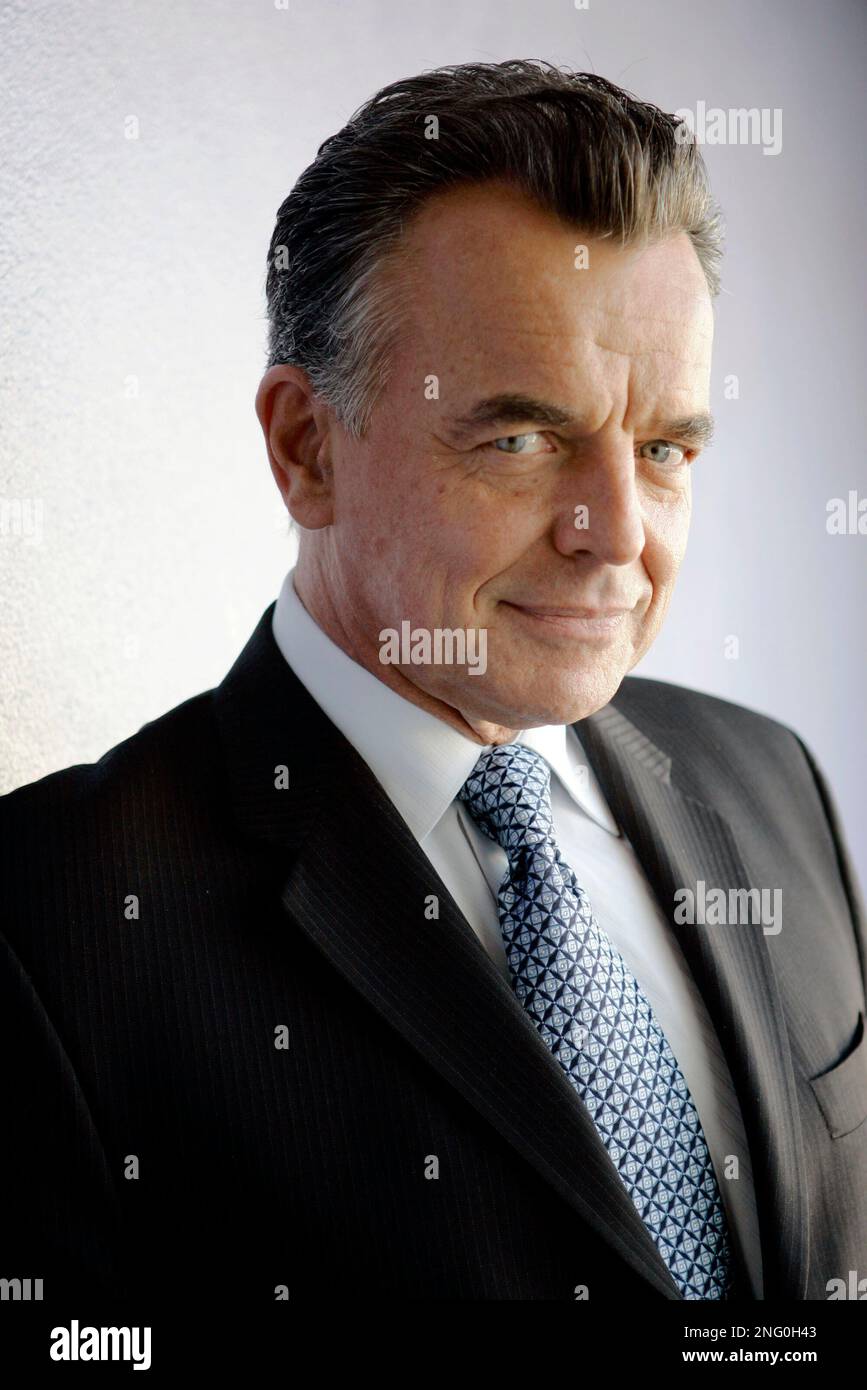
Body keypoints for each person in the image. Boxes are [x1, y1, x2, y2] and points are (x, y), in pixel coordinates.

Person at [2, 61, 865, 1305]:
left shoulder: (773, 780)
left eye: (665, 447)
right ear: (307, 449)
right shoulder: (45, 929)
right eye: (522, 440)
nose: (618, 531)